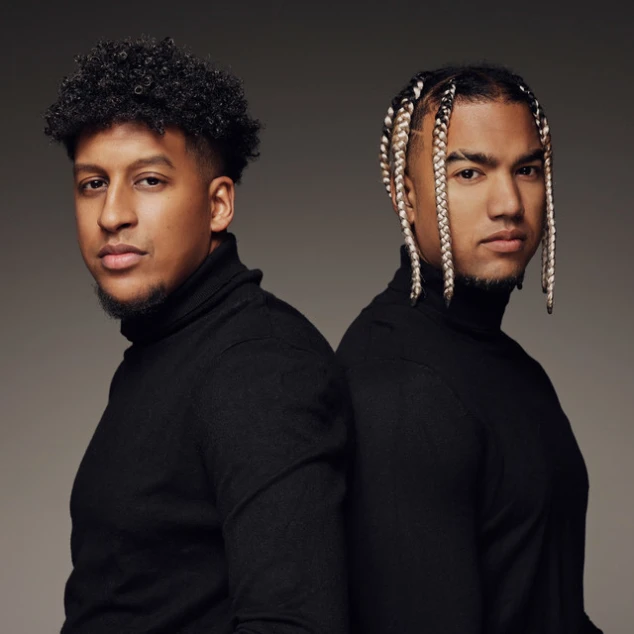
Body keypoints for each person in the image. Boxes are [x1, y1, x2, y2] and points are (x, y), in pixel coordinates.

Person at [45, 36, 349, 634]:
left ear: (218, 205)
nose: (112, 214)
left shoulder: (260, 367)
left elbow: (292, 624)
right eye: (93, 183)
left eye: (148, 180)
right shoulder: (166, 348)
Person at [337, 65, 602, 633]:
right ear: (406, 197)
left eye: (527, 169)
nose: (508, 203)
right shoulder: (401, 386)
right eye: (468, 173)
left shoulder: (511, 368)